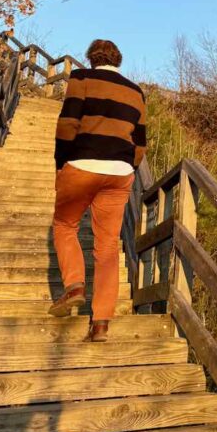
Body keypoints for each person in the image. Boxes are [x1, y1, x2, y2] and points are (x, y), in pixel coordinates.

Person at [49, 39, 147, 342]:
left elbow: (68, 124)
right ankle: (101, 322)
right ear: (117, 59)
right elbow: (140, 142)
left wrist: (60, 162)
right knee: (107, 246)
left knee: (65, 225)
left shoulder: (81, 79)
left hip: (82, 164)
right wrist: (129, 166)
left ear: (91, 58)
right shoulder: (136, 91)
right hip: (119, 173)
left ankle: (75, 286)